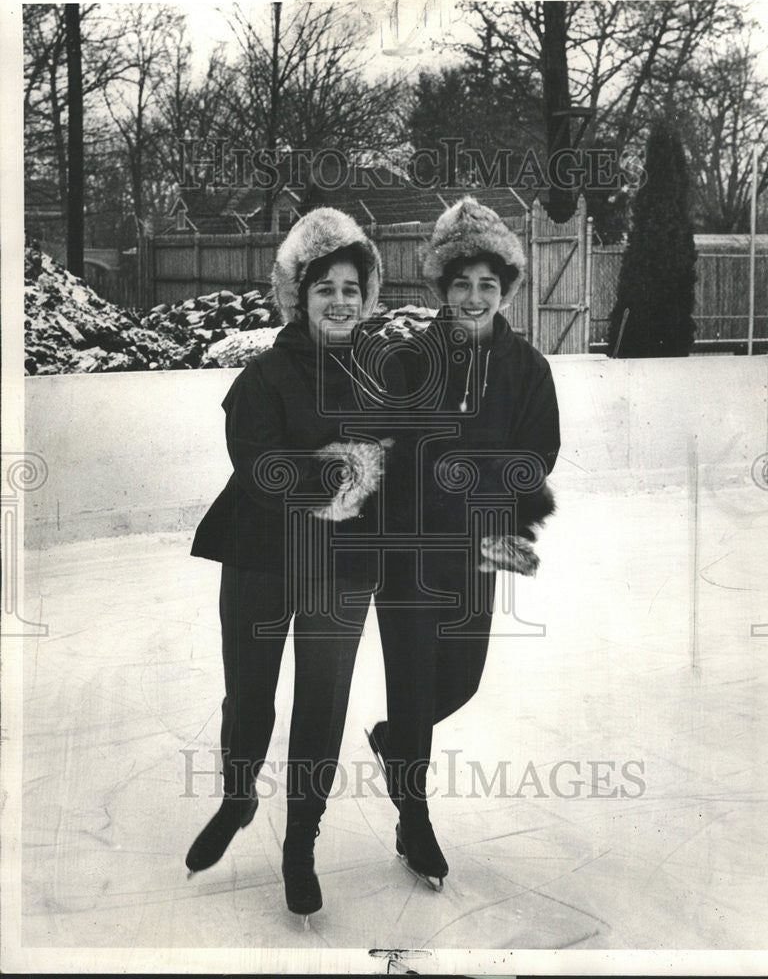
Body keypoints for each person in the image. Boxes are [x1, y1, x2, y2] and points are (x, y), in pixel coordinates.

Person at [186, 207, 398, 923]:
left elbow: (403, 460)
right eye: (323, 288)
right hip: (260, 555)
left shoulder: (387, 374)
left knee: (321, 706)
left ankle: (299, 846)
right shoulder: (263, 377)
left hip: (344, 566)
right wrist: (347, 473)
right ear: (297, 297)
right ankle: (238, 796)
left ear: (367, 297)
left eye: (351, 288)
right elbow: (262, 466)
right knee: (250, 698)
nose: (339, 301)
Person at [364, 196, 561, 888]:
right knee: (414, 687)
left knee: (461, 678)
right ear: (441, 289)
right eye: (460, 283)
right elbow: (392, 453)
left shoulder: (528, 369)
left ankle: (391, 742)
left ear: (504, 290)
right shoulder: (409, 361)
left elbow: (537, 455)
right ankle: (411, 821)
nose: (474, 296)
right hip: (409, 550)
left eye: (487, 284)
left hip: (479, 547)